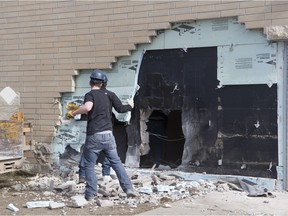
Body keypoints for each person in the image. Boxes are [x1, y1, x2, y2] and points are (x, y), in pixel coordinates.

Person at [70, 69, 137, 200]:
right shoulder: (110, 94)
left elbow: (88, 108)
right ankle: (128, 188)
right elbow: (121, 109)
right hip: (108, 135)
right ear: (103, 83)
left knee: (89, 164)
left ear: (91, 82)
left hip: (94, 135)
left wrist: (73, 113)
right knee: (116, 163)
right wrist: (130, 106)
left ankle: (90, 194)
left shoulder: (90, 94)